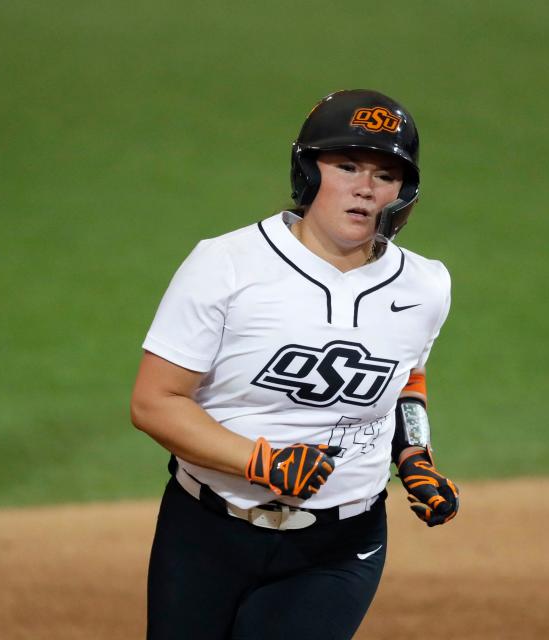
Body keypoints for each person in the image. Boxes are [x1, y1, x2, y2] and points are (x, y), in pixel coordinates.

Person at [130, 89, 460, 640]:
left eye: (384, 175)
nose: (364, 187)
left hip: (340, 546)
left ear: (403, 193)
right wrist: (260, 461)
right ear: (308, 172)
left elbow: (407, 379)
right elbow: (154, 402)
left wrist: (415, 455)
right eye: (347, 165)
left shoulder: (426, 286)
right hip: (207, 533)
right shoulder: (227, 265)